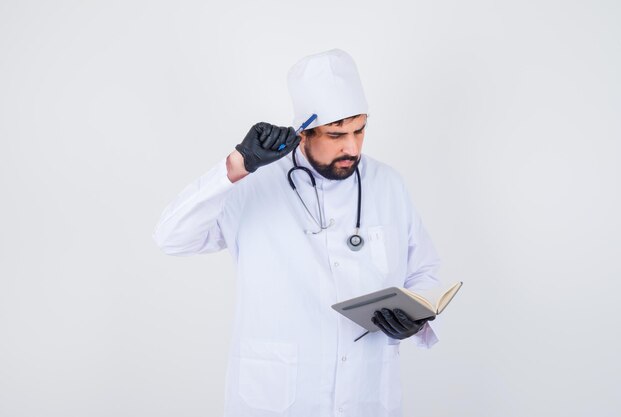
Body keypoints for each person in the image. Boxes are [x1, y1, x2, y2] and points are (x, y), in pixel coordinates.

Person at [153, 49, 442, 417]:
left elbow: (425, 271)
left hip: (367, 395)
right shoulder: (253, 185)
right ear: (303, 131)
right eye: (336, 134)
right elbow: (171, 237)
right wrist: (236, 166)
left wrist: (415, 318)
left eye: (360, 130)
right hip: (277, 399)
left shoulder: (388, 184)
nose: (352, 147)